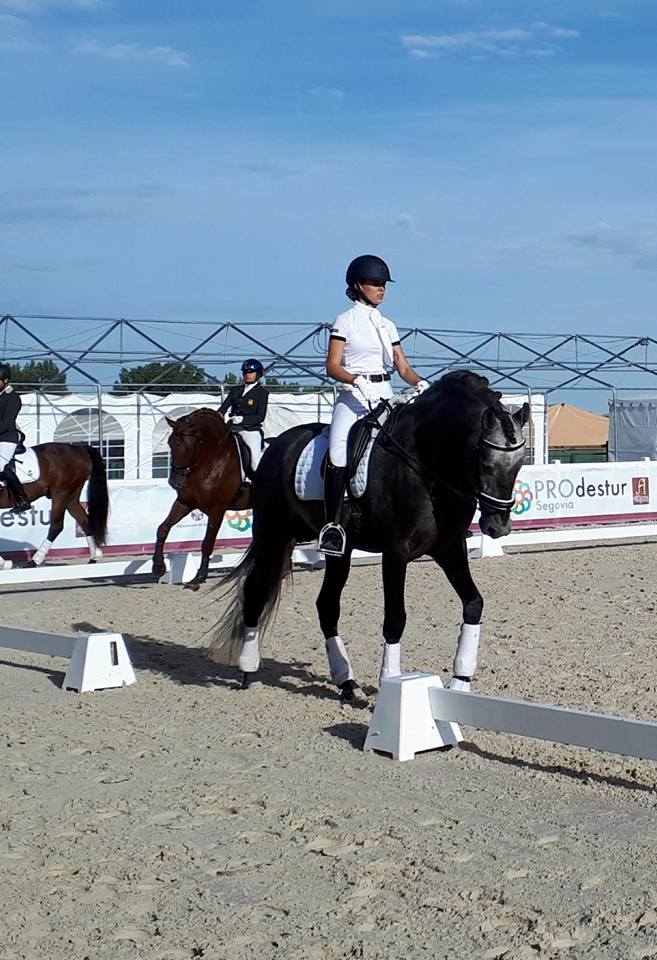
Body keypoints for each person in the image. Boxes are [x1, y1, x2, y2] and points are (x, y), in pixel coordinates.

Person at [318, 255, 429, 556]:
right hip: (353, 397)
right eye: (375, 284)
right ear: (358, 286)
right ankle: (332, 528)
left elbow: (402, 367)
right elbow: (332, 365)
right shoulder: (345, 320)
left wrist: (421, 383)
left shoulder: (388, 325)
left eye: (383, 285)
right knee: (338, 452)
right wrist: (357, 381)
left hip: (384, 393)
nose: (381, 289)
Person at [219, 359, 269, 471]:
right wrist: (219, 414)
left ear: (258, 374)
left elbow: (260, 416)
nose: (248, 375)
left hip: (250, 430)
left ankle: (257, 483)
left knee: (255, 463)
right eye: (246, 372)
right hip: (232, 428)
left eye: (251, 372)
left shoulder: (262, 393)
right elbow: (224, 407)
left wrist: (243, 419)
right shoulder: (235, 390)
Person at [0, 364, 29, 513]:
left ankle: (22, 499)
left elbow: (7, 422)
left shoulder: (13, 398)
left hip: (7, 438)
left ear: (5, 381)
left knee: (0, 465)